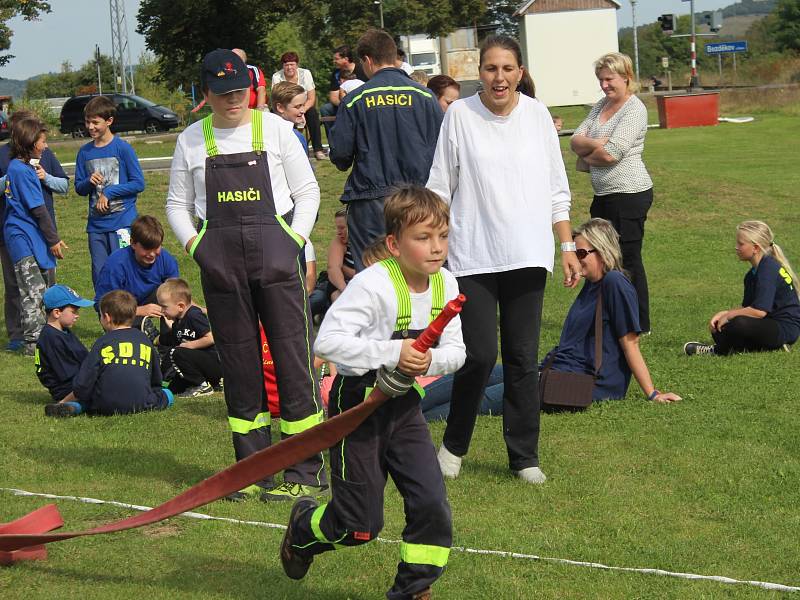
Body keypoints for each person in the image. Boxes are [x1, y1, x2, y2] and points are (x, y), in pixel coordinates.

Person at [280, 186, 465, 600]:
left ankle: (413, 589)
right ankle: (303, 529)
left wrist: (427, 362)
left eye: (443, 236)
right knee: (358, 525)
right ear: (394, 244)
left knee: (432, 504)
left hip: (402, 404)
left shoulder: (446, 285)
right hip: (357, 404)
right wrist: (392, 352)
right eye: (423, 239)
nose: (436, 249)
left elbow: (457, 352)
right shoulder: (372, 285)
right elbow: (326, 343)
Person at [166, 49, 326, 502]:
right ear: (206, 96)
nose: (232, 100)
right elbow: (177, 205)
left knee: (293, 361)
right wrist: (197, 248)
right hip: (221, 267)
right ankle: (253, 470)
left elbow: (308, 192)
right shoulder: (191, 141)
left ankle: (304, 469)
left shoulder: (275, 129)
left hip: (277, 261)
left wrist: (293, 241)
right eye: (221, 94)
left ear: (250, 89)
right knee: (238, 364)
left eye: (238, 91)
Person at [426, 35, 581, 485]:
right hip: (472, 254)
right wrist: (435, 245)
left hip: (528, 254)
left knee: (521, 357)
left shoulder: (537, 117)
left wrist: (567, 246)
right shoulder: (459, 115)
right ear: (481, 72)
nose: (500, 78)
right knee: (477, 355)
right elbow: (439, 185)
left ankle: (524, 457)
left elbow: (557, 189)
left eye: (508, 69)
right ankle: (453, 446)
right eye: (491, 69)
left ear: (520, 72)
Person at [330, 28, 443, 271]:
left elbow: (339, 155)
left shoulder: (354, 100)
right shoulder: (425, 96)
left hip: (370, 201)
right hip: (417, 198)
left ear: (368, 61)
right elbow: (442, 151)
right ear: (394, 56)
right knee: (418, 271)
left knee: (373, 276)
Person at [543, 219, 680, 403]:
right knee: (493, 370)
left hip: (582, 383)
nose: (576, 260)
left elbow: (630, 343)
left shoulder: (614, 282)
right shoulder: (592, 284)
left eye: (581, 253)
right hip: (558, 371)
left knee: (498, 392)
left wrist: (653, 393)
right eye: (575, 254)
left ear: (603, 252)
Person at [571, 52, 654, 332]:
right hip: (603, 195)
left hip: (630, 194)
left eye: (609, 79)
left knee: (629, 259)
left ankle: (639, 323)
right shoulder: (600, 106)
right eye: (600, 80)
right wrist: (595, 144)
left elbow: (611, 155)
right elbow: (574, 140)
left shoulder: (634, 109)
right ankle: (609, 315)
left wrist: (587, 154)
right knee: (602, 258)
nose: (605, 85)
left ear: (626, 77)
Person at [0, 110, 68, 352]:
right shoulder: (21, 171)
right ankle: (33, 343)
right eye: (42, 142)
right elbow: (39, 210)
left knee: (44, 286)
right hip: (21, 238)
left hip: (31, 236)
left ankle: (49, 335)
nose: (45, 146)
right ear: (30, 143)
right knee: (32, 290)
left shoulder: (23, 168)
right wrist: (55, 240)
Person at [684, 221, 800, 356]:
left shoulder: (768, 269)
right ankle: (751, 347)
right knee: (722, 325)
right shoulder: (752, 275)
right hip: (768, 323)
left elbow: (759, 311)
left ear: (755, 248)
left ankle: (716, 350)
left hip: (784, 328)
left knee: (739, 323)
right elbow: (748, 308)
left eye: (741, 244)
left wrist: (729, 315)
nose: (736, 247)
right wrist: (724, 314)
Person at [74, 95, 145, 288]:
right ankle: (105, 317)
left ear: (109, 121)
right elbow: (79, 188)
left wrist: (110, 191)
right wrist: (88, 181)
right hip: (96, 226)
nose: (90, 127)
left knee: (124, 274)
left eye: (95, 122)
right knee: (101, 276)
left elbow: (139, 183)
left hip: (122, 224)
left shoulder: (123, 148)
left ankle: (132, 317)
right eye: (87, 122)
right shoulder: (84, 152)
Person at [70, 290, 173, 416]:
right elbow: (156, 376)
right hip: (143, 402)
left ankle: (78, 406)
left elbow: (84, 381)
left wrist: (81, 394)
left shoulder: (102, 342)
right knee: (167, 394)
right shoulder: (144, 340)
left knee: (90, 397)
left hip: (105, 405)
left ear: (107, 318)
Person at [93, 215, 179, 329]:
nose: (152, 254)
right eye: (146, 248)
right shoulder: (115, 264)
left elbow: (178, 294)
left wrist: (198, 310)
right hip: (120, 311)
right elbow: (102, 305)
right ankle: (141, 329)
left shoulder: (166, 259)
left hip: (146, 301)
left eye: (156, 247)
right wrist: (139, 311)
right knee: (133, 341)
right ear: (132, 243)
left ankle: (168, 340)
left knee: (172, 297)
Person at [156, 278, 222, 397]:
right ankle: (211, 383)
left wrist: (190, 345)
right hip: (197, 366)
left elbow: (210, 338)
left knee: (175, 352)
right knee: (172, 389)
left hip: (213, 364)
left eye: (164, 307)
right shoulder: (178, 322)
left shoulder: (194, 315)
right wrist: (155, 339)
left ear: (180, 306)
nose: (162, 310)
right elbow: (172, 340)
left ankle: (203, 386)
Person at [36, 285, 93, 417]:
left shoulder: (63, 331)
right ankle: (73, 406)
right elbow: (67, 375)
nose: (77, 316)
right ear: (57, 312)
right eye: (74, 311)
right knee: (106, 394)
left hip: (78, 382)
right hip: (68, 389)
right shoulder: (51, 338)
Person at [272, 52, 325, 160]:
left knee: (313, 113)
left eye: (292, 64)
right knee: (275, 117)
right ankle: (280, 149)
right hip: (285, 108)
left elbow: (311, 98)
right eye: (286, 65)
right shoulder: (277, 77)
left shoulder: (305, 74)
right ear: (283, 66)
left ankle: (318, 150)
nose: (289, 67)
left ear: (297, 64)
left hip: (304, 105)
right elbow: (276, 98)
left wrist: (302, 110)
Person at [309, 208, 355, 317]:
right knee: (341, 303)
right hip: (340, 285)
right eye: (337, 228)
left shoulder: (367, 240)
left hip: (360, 284)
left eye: (342, 228)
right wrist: (346, 291)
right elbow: (333, 268)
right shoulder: (339, 242)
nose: (338, 232)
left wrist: (343, 268)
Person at [319, 45, 367, 139]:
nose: (334, 61)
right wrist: (346, 106)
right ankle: (334, 141)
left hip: (362, 105)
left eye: (336, 59)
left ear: (345, 59)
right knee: (325, 109)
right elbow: (333, 97)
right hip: (342, 105)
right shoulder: (336, 73)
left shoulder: (362, 69)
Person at [271, 81, 311, 158]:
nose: (303, 110)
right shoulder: (295, 137)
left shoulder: (268, 130)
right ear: (280, 108)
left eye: (303, 105)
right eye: (298, 106)